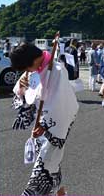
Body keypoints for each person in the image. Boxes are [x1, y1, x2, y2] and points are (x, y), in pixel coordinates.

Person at [10, 43, 78, 195]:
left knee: (43, 167)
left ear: (33, 60)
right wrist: (22, 87)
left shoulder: (57, 70)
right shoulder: (33, 69)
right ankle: (62, 193)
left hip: (54, 126)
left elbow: (61, 103)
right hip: (41, 123)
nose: (26, 72)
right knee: (51, 163)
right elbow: (22, 93)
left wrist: (46, 125)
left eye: (26, 68)